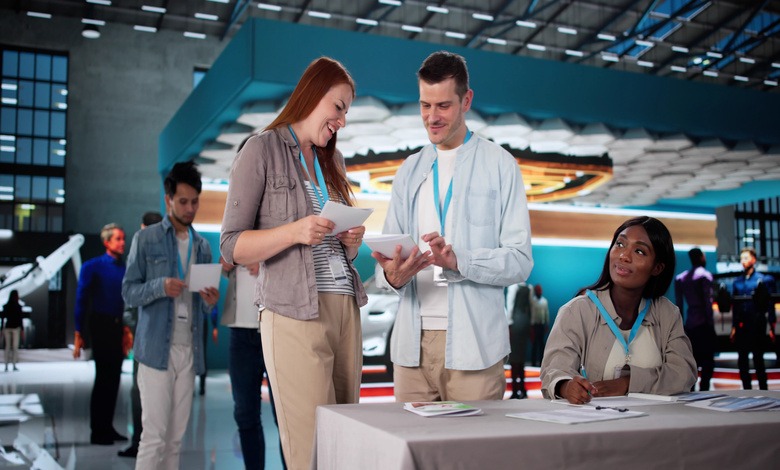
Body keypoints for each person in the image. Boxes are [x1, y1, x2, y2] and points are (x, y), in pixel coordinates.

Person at [220, 57, 367, 470]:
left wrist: (351, 242)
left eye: (346, 112)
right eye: (338, 107)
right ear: (312, 93)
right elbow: (232, 245)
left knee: (344, 447)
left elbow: (334, 244)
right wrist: (294, 231)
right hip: (293, 314)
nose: (342, 120)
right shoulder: (261, 149)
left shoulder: (331, 162)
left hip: (344, 309)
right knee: (309, 452)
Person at [372, 51, 533, 403]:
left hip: (475, 347)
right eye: (424, 105)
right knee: (411, 456)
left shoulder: (500, 165)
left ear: (467, 100)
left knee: (471, 457)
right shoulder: (409, 171)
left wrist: (460, 261)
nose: (432, 117)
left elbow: (520, 260)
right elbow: (385, 264)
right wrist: (391, 276)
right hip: (410, 348)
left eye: (443, 105)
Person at [122, 161, 219, 470]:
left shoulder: (202, 246)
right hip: (154, 350)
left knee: (176, 440)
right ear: (168, 200)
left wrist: (210, 301)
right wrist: (160, 286)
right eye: (183, 202)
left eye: (195, 202)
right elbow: (128, 292)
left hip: (188, 350)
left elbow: (205, 307)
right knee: (154, 437)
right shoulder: (146, 239)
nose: (190, 208)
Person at [540, 216, 697, 404]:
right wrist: (566, 387)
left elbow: (683, 372)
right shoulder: (577, 310)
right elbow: (554, 371)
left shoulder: (667, 313)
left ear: (657, 267)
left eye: (639, 251)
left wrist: (627, 383)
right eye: (620, 244)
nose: (624, 256)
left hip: (656, 425)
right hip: (599, 426)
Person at [220, 257, 284, 470]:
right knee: (245, 414)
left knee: (285, 415)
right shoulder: (233, 226)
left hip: (278, 327)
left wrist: (265, 263)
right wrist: (226, 264)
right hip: (240, 329)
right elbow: (225, 266)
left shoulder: (279, 224)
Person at [72, 223, 128, 445]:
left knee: (114, 378)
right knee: (103, 377)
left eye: (123, 238)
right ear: (107, 242)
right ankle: (98, 430)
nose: (122, 242)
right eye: (118, 239)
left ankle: (108, 426)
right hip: (101, 324)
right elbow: (81, 300)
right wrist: (78, 331)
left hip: (117, 325)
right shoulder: (92, 266)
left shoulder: (124, 268)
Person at [118, 210, 162, 459]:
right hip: (145, 332)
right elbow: (130, 295)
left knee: (142, 390)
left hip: (147, 333)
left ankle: (143, 443)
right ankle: (142, 442)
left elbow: (130, 295)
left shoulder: (145, 255)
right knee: (141, 390)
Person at [730, 247, 776, 390]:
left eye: (746, 257)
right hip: (742, 326)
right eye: (741, 258)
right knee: (742, 361)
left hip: (758, 324)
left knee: (758, 360)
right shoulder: (737, 282)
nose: (743, 261)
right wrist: (733, 327)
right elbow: (736, 308)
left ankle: (764, 392)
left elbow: (770, 305)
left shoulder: (764, 280)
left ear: (753, 260)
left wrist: (771, 326)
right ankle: (746, 392)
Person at [674, 248, 716, 391]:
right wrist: (711, 324)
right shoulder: (705, 276)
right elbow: (708, 303)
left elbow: (679, 305)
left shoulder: (681, 278)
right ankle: (705, 390)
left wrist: (682, 326)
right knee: (708, 361)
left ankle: (691, 391)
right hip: (704, 323)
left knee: (692, 360)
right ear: (701, 257)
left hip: (690, 323)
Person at [506, 282, 532, 399]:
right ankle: (522, 388)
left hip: (516, 322)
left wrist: (509, 324)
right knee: (521, 358)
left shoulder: (513, 287)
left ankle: (516, 389)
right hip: (525, 321)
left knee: (514, 358)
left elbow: (510, 305)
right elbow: (531, 307)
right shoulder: (528, 288)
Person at [2, 290, 23, 372]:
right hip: (14, 328)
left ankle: (7, 365)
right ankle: (13, 365)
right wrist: (22, 330)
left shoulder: (7, 306)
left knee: (8, 347)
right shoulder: (18, 307)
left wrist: (1, 329)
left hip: (8, 327)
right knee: (14, 347)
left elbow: (3, 318)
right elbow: (20, 320)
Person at [530, 284, 549, 367]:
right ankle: (533, 363)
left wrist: (547, 324)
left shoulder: (544, 301)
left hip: (542, 325)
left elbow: (546, 312)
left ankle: (542, 363)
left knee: (542, 345)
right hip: (534, 325)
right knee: (534, 345)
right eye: (538, 290)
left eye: (540, 290)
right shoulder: (532, 301)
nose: (539, 291)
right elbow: (531, 313)